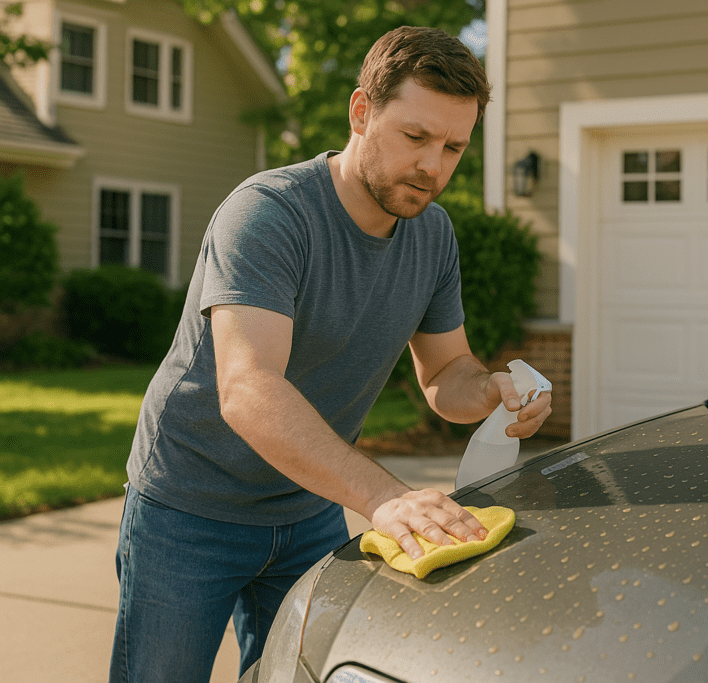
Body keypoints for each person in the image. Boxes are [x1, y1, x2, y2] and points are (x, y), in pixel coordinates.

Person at [108, 25, 552, 683]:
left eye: (454, 146)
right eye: (416, 137)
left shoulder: (432, 235)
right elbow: (248, 388)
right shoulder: (268, 214)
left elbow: (444, 374)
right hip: (189, 507)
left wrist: (490, 388)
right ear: (361, 111)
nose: (435, 165)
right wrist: (384, 496)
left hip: (308, 505)